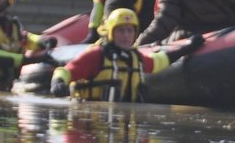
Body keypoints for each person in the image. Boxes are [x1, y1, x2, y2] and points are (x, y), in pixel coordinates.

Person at [51, 7, 204, 101]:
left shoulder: (135, 58)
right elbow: (65, 71)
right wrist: (58, 82)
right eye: (120, 30)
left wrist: (185, 49)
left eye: (130, 30)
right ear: (110, 33)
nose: (126, 35)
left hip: (123, 124)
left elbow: (157, 62)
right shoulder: (96, 56)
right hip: (91, 124)